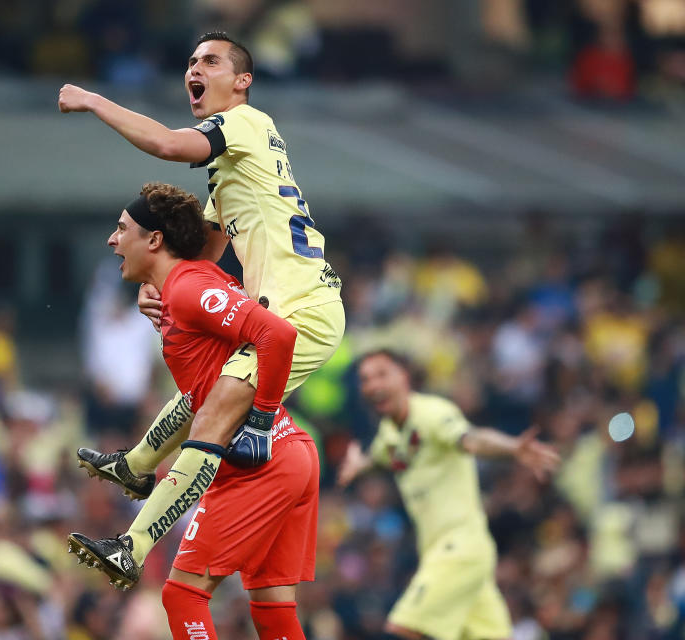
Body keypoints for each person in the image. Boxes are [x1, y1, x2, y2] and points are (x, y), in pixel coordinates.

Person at [59, 31, 344, 502]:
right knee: (208, 391)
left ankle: (135, 543)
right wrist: (159, 285)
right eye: (191, 62)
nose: (195, 69)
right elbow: (202, 254)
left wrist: (93, 101)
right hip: (294, 304)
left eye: (211, 62)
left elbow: (170, 145)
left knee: (214, 413)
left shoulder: (244, 122)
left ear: (242, 81)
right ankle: (137, 467)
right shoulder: (237, 173)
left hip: (299, 309)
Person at [69, 183, 318, 640]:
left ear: (155, 240)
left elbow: (278, 336)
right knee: (271, 611)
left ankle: (133, 529)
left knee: (182, 594)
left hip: (260, 460)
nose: (111, 239)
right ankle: (133, 469)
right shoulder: (181, 290)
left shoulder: (188, 288)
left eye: (121, 229)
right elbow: (203, 391)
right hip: (290, 454)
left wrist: (260, 420)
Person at [337, 350, 561, 640]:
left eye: (381, 374)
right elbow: (380, 457)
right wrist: (359, 466)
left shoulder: (432, 413)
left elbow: (472, 439)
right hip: (458, 557)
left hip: (458, 548)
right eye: (365, 379)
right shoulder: (389, 433)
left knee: (405, 629)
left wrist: (513, 447)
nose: (372, 385)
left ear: (403, 376)